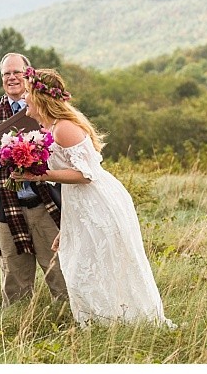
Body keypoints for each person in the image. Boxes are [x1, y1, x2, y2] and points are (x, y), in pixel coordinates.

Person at [15, 68, 174, 327]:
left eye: (27, 93)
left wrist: (40, 175)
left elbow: (85, 175)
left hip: (96, 203)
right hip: (80, 204)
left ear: (39, 97)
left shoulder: (64, 128)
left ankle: (121, 322)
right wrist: (66, 227)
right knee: (81, 265)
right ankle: (101, 324)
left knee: (100, 264)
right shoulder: (52, 126)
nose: (24, 99)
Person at [0, 53, 67, 307]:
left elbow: (65, 148)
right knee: (14, 277)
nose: (12, 78)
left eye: (17, 72)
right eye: (6, 74)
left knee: (59, 271)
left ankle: (69, 325)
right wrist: (0, 155)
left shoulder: (45, 105)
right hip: (7, 209)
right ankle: (17, 329)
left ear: (28, 74)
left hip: (45, 205)